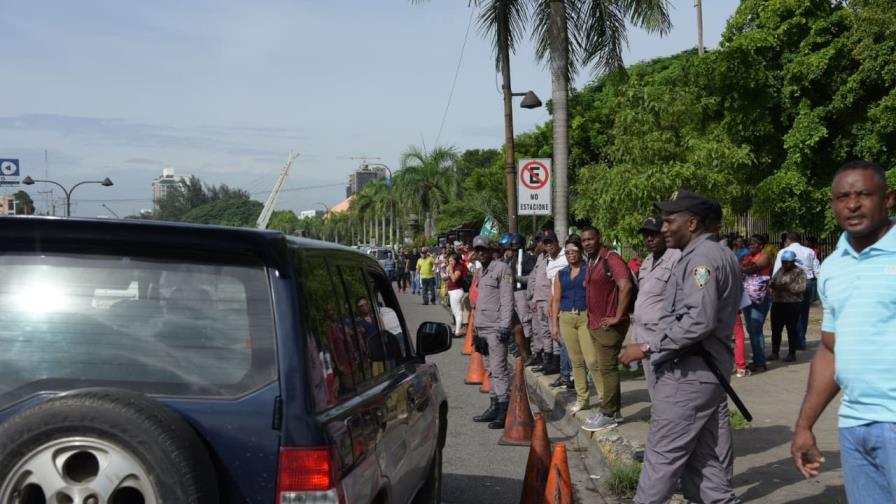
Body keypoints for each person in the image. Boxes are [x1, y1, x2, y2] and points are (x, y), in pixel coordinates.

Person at [618, 190, 742, 504]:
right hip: (703, 374)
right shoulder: (713, 254)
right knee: (709, 471)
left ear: (692, 223)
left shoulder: (702, 259)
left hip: (688, 376)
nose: (663, 228)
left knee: (660, 462)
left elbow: (698, 321)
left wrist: (646, 347)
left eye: (669, 221)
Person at [791, 160, 896, 504]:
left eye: (864, 194)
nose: (852, 204)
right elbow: (831, 349)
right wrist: (805, 425)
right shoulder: (834, 266)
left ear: (888, 198)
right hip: (854, 426)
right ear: (832, 204)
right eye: (843, 197)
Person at [580, 226, 634, 432]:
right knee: (605, 368)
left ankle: (608, 413)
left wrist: (618, 316)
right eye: (584, 240)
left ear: (599, 238)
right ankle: (615, 411)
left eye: (590, 239)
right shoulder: (592, 261)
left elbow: (625, 285)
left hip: (608, 326)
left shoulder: (611, 258)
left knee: (608, 370)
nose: (587, 243)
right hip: (595, 323)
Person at [632, 215, 681, 399]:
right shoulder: (647, 261)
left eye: (654, 234)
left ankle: (670, 424)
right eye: (646, 235)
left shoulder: (677, 257)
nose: (649, 239)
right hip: (644, 333)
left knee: (669, 386)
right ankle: (661, 420)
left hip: (663, 335)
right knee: (653, 384)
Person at [469, 235, 515, 430]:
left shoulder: (502, 269)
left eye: (483, 250)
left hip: (496, 328)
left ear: (490, 250)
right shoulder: (482, 271)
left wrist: (505, 325)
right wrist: (474, 328)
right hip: (482, 327)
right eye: (477, 250)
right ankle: (494, 406)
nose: (480, 253)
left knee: (499, 370)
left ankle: (504, 409)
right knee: (489, 370)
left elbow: (507, 299)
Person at [551, 236, 592, 413]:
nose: (570, 255)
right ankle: (582, 398)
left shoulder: (589, 270)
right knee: (576, 361)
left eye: (574, 251)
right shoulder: (561, 274)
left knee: (592, 360)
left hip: (585, 317)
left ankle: (607, 401)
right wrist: (554, 324)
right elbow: (556, 300)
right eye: (567, 252)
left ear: (580, 251)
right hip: (566, 317)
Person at [772, 232, 820, 351]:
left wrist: (774, 285)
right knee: (803, 313)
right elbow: (817, 270)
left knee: (792, 314)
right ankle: (800, 340)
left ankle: (796, 342)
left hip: (787, 285)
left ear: (788, 240)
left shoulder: (783, 252)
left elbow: (776, 271)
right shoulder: (809, 251)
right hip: (807, 282)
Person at [530, 231, 564, 375]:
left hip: (553, 300)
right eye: (544, 242)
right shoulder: (542, 259)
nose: (547, 245)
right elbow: (537, 279)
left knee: (554, 331)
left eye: (550, 242)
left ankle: (556, 361)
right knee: (544, 331)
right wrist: (534, 299)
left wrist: (551, 303)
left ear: (556, 242)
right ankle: (547, 359)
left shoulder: (561, 257)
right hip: (541, 299)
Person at [741, 234, 772, 372]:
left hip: (761, 296)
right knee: (750, 328)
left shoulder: (764, 256)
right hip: (748, 295)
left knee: (755, 328)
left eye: (754, 244)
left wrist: (742, 268)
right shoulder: (748, 256)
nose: (751, 246)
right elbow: (742, 266)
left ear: (761, 245)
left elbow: (752, 268)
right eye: (750, 243)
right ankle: (757, 360)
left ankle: (760, 363)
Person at [768, 250, 807, 362]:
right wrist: (774, 285)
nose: (784, 264)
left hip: (792, 304)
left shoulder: (799, 272)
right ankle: (775, 352)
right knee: (776, 329)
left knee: (791, 329)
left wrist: (787, 288)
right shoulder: (781, 270)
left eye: (786, 262)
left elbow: (802, 288)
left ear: (793, 261)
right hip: (778, 303)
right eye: (783, 262)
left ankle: (791, 353)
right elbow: (773, 281)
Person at [525, 236, 547, 368]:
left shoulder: (551, 259)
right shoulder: (540, 258)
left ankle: (547, 357)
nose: (533, 251)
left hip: (544, 301)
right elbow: (533, 278)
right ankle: (538, 355)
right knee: (537, 330)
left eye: (535, 247)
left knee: (546, 331)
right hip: (535, 300)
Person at [446, 252, 466, 337]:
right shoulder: (453, 267)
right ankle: (458, 329)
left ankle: (458, 331)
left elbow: (454, 279)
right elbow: (450, 277)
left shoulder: (459, 268)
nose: (450, 262)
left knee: (457, 312)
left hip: (456, 291)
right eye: (449, 260)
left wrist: (450, 270)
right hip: (452, 291)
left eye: (451, 260)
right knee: (455, 312)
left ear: (456, 260)